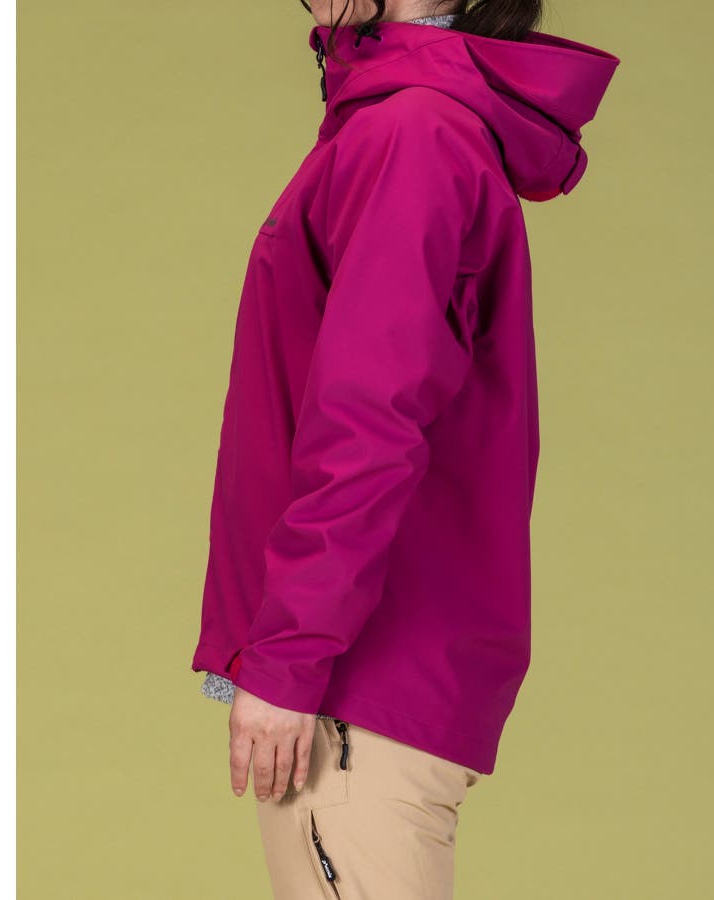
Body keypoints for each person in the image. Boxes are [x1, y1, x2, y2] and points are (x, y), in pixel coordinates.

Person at [190, 1, 619, 896]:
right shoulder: (403, 122)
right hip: (366, 681)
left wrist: (289, 658)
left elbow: (369, 423)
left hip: (357, 683)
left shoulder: (414, 132)